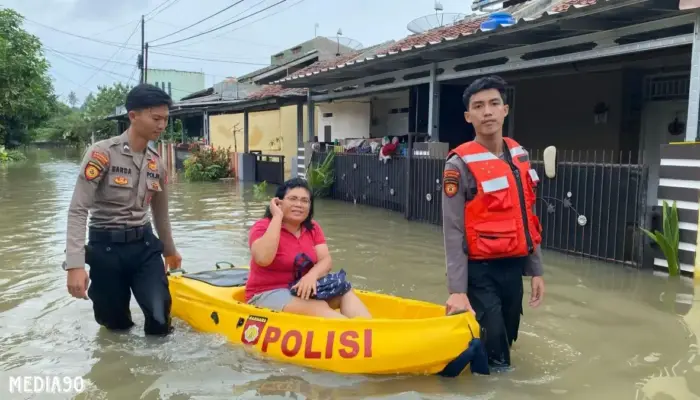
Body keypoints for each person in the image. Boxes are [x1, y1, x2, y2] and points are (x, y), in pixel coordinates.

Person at [442, 75, 545, 368]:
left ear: (505, 109)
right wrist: (457, 291)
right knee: (497, 349)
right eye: (478, 106)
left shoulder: (519, 156)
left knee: (509, 335)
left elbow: (527, 215)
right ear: (468, 116)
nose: (487, 111)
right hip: (479, 271)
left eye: (493, 103)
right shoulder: (458, 165)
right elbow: (452, 229)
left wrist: (536, 270)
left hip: (512, 268)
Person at [64, 83, 182, 336]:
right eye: (156, 118)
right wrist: (74, 264)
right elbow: (77, 209)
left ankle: (156, 371)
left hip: (144, 249)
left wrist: (170, 250)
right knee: (115, 326)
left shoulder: (156, 162)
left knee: (160, 320)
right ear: (133, 116)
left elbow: (161, 213)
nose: (162, 125)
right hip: (106, 251)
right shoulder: (102, 154)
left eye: (165, 119)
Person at [246, 178, 372, 319]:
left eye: (305, 201)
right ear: (278, 203)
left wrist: (311, 276)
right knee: (319, 307)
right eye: (293, 199)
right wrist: (277, 217)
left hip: (304, 289)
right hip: (267, 292)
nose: (299, 204)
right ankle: (352, 334)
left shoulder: (312, 228)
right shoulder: (262, 227)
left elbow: (326, 260)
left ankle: (370, 332)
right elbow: (263, 259)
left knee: (345, 291)